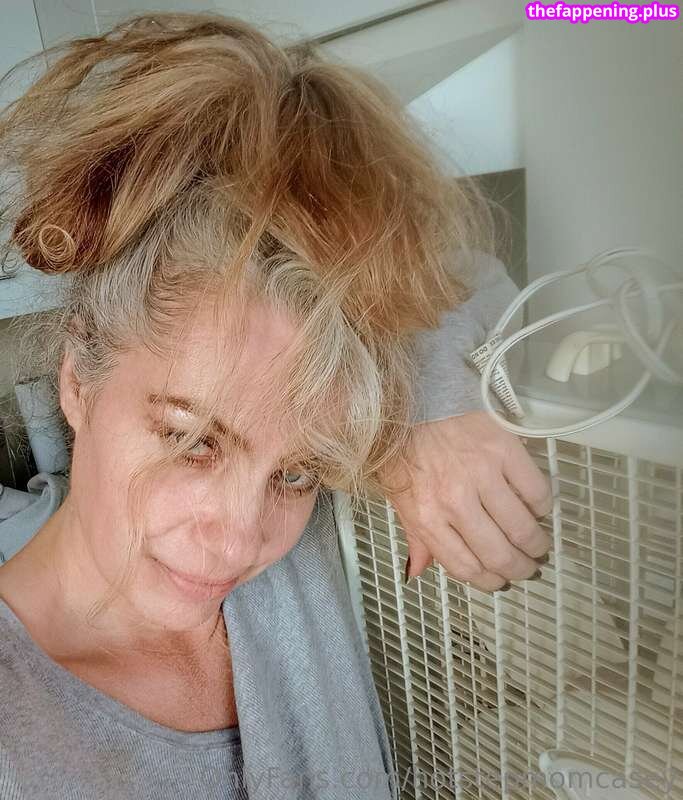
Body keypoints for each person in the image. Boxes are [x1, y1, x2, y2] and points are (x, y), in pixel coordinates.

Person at [0, 11, 552, 800]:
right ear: (77, 380)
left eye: (297, 473)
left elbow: (456, 272)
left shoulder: (292, 552)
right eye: (192, 440)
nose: (237, 541)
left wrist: (433, 412)